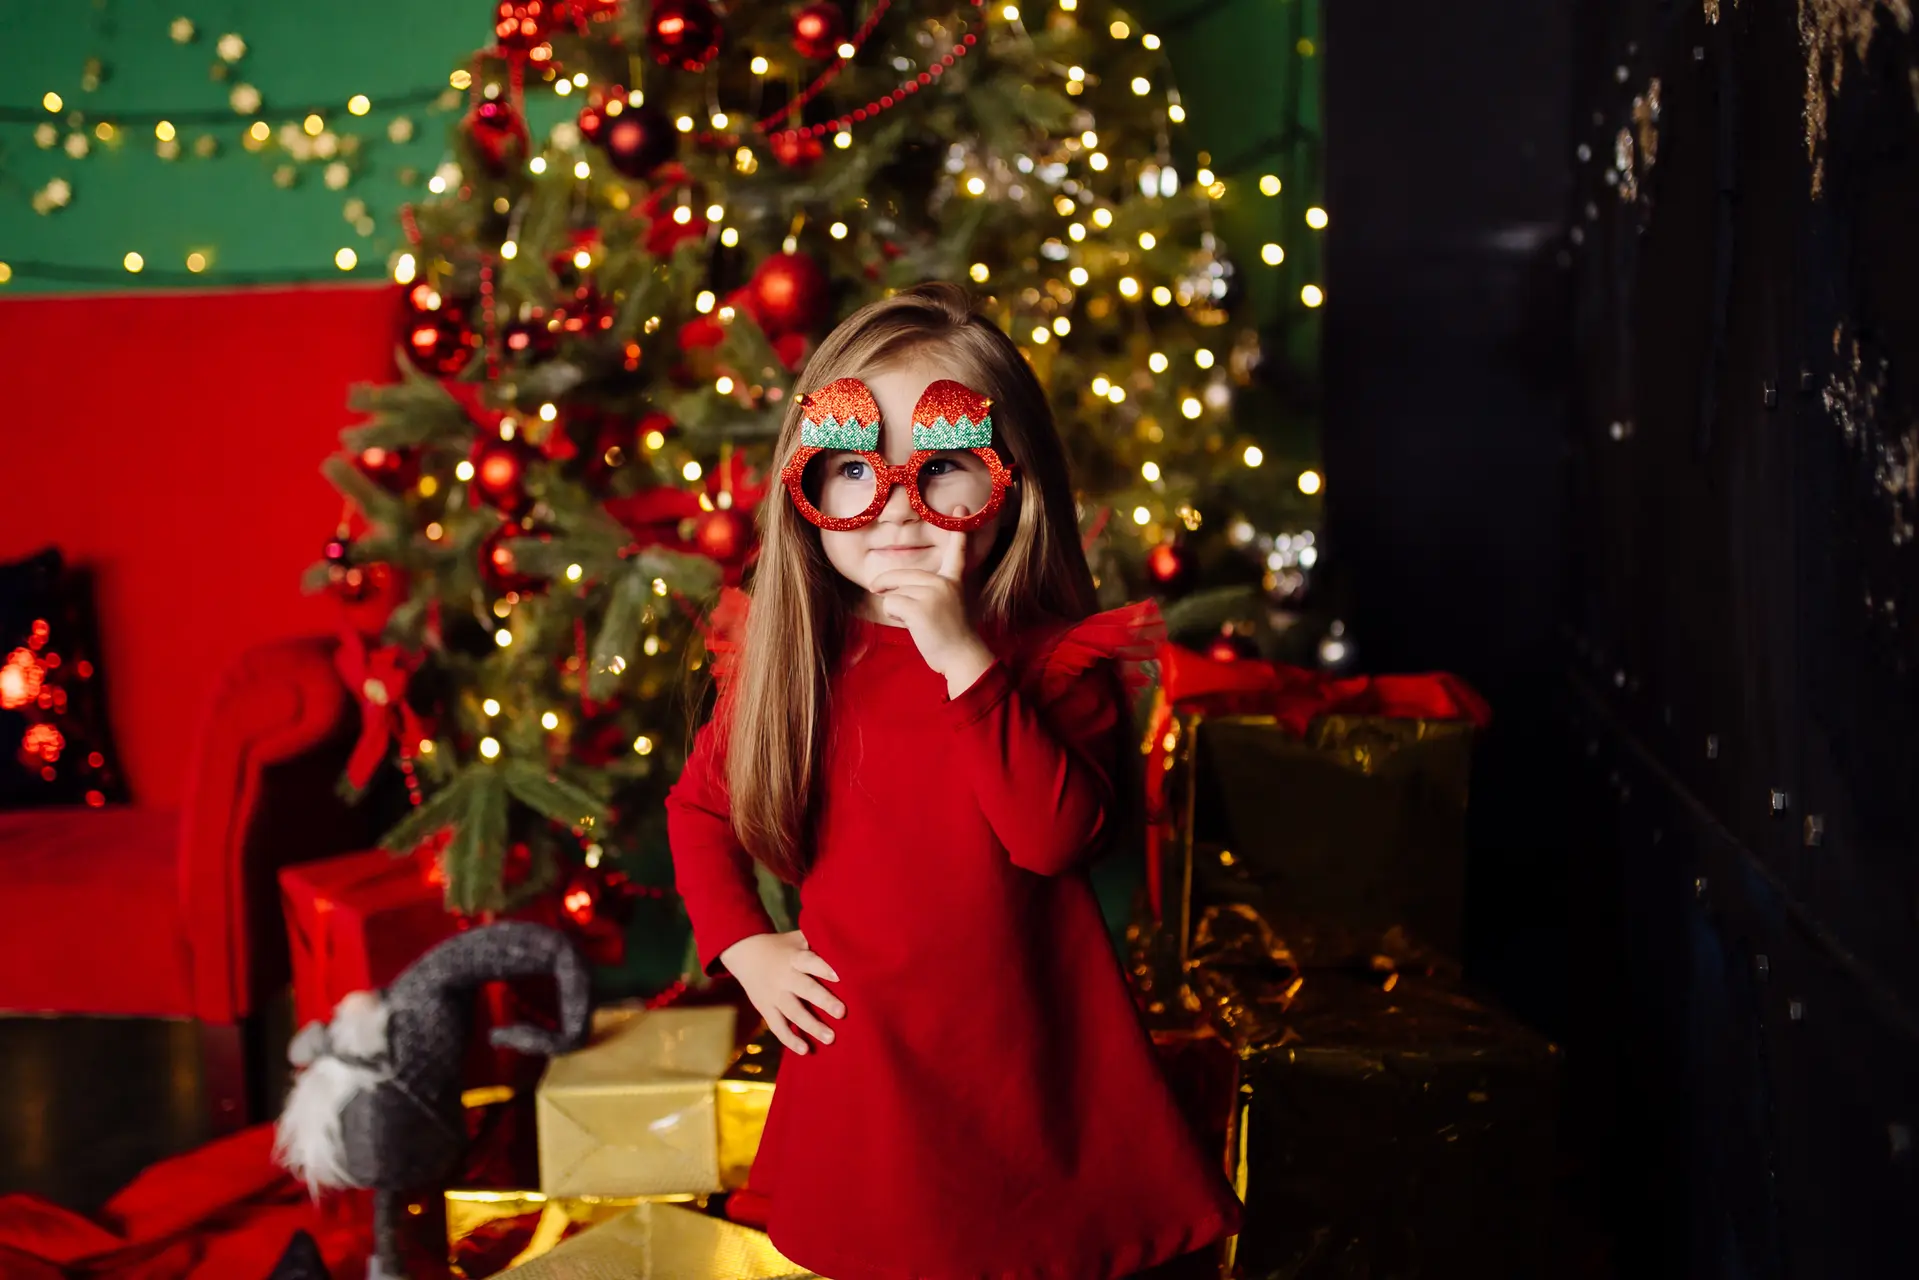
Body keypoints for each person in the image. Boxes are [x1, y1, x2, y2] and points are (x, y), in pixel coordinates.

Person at [665, 282, 1244, 1280]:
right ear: (804, 488)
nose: (892, 502)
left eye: (941, 467)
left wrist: (961, 658)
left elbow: (1053, 837)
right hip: (871, 1061)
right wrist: (746, 946)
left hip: (1021, 1059)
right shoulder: (797, 662)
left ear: (1008, 482)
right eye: (851, 466)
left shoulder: (1057, 665)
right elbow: (700, 809)